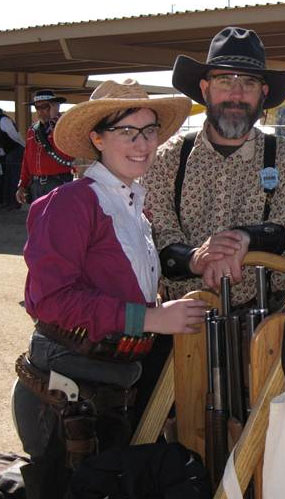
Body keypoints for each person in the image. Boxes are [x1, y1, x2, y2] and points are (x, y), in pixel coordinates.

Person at [12, 79, 203, 499]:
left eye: (149, 131)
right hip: (67, 399)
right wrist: (149, 318)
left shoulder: (133, 205)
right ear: (97, 138)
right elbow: (49, 299)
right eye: (126, 132)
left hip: (110, 390)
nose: (143, 143)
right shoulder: (71, 202)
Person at [143, 26, 285, 312]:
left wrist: (244, 239)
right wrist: (195, 259)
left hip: (265, 322)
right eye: (224, 80)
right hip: (182, 322)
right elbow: (156, 232)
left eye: (248, 83)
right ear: (205, 88)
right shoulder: (166, 159)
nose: (236, 94)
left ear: (263, 93)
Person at [16, 90, 74, 205]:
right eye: (38, 108)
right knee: (37, 221)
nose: (41, 111)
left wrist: (54, 123)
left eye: (45, 106)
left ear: (55, 107)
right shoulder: (32, 130)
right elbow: (27, 161)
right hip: (36, 185)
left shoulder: (65, 128)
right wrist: (22, 185)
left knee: (58, 220)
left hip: (59, 183)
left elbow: (66, 155)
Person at [0, 108, 24, 209]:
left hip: (15, 150)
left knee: (13, 177)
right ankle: (8, 201)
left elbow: (15, 136)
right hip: (8, 152)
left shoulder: (3, 120)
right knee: (8, 177)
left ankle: (14, 201)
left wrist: (24, 147)